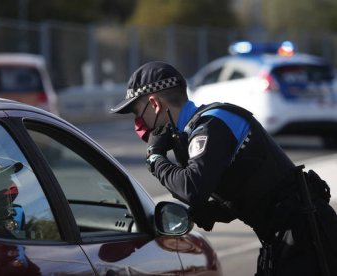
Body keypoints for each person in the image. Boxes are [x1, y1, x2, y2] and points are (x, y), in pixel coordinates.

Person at [110, 61, 337, 275]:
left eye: (137, 112)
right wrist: (215, 211)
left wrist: (155, 158)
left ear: (154, 104)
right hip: (287, 234)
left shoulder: (211, 124)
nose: (138, 123)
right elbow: (253, 185)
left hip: (306, 235)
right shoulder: (195, 131)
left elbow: (191, 189)